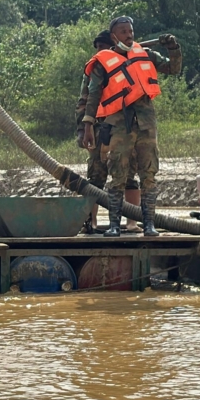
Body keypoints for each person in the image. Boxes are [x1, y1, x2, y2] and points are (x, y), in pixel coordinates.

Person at [81, 16, 182, 237]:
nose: (129, 35)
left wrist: (173, 48)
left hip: (146, 124)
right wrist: (87, 125)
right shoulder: (102, 62)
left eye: (131, 31)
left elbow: (173, 69)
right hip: (118, 124)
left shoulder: (146, 54)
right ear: (114, 36)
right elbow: (92, 95)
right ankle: (114, 225)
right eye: (124, 31)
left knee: (149, 173)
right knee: (118, 174)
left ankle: (148, 224)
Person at [75, 31, 142, 233]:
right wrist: (82, 129)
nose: (99, 51)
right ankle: (91, 222)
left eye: (103, 47)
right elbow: (84, 101)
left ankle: (131, 222)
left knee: (129, 174)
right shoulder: (94, 69)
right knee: (95, 176)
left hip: (124, 128)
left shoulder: (127, 66)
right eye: (97, 48)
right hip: (97, 129)